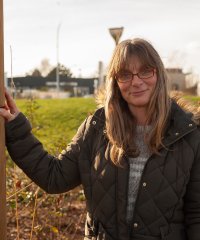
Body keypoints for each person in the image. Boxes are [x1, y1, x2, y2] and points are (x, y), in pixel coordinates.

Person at [0, 38, 200, 240]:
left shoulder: (188, 134)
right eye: (125, 75)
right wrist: (16, 128)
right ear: (115, 81)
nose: (136, 81)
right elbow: (55, 178)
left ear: (159, 74)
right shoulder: (96, 127)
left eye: (146, 71)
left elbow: (196, 215)